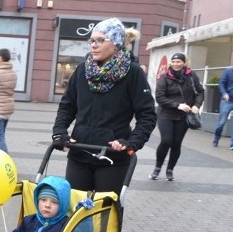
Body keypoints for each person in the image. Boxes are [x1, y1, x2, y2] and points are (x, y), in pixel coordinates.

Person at [52, 18, 156, 193]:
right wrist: (59, 133)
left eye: (100, 40)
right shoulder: (82, 70)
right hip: (80, 152)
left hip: (113, 157)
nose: (94, 45)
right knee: (75, 209)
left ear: (115, 44)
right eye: (92, 40)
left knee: (108, 213)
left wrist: (132, 142)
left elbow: (147, 115)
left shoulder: (133, 73)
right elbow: (67, 107)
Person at [151, 52, 205, 181]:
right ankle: (157, 167)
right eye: (174, 62)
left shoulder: (191, 76)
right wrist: (177, 105)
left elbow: (200, 92)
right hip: (166, 114)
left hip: (183, 116)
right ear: (171, 63)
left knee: (176, 144)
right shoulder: (164, 77)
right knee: (166, 141)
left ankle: (170, 169)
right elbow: (159, 97)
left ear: (184, 63)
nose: (176, 64)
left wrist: (197, 105)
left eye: (179, 62)